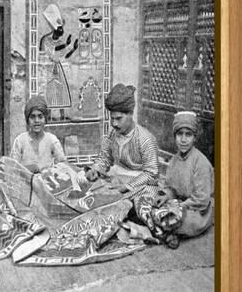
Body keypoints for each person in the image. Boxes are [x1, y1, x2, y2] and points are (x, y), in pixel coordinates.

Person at [85, 83, 159, 202]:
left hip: (140, 187)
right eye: (112, 118)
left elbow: (152, 174)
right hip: (117, 180)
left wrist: (126, 187)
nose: (114, 123)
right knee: (86, 188)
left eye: (119, 118)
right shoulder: (112, 133)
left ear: (130, 114)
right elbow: (105, 157)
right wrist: (95, 169)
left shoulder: (145, 138)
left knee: (128, 203)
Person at [154, 111, 214, 246]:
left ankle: (168, 233)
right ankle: (168, 231)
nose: (183, 139)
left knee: (181, 219)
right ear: (175, 136)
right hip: (179, 204)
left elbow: (202, 200)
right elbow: (171, 188)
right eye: (180, 134)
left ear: (195, 138)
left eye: (188, 135)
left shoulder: (200, 162)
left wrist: (180, 206)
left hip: (196, 210)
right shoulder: (174, 160)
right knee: (152, 204)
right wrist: (166, 197)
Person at [10, 95, 66, 173]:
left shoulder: (52, 140)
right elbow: (13, 169)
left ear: (45, 119)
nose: (36, 121)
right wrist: (29, 169)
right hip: (25, 182)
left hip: (47, 183)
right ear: (27, 120)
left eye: (40, 117)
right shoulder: (20, 141)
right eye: (32, 117)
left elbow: (63, 165)